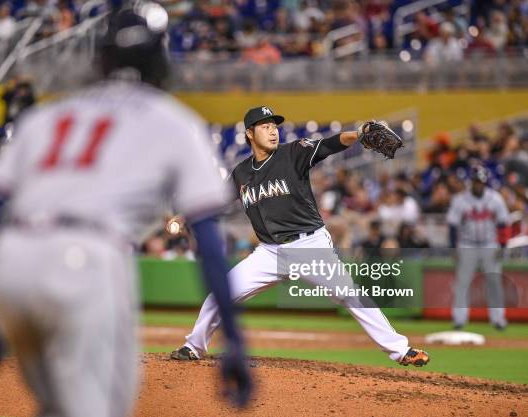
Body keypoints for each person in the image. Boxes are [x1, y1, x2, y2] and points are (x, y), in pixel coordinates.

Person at [0, 3, 252, 417]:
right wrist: (235, 340)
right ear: (159, 59)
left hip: (10, 265)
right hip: (86, 261)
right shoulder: (174, 122)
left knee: (56, 405)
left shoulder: (50, 115)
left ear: (101, 57)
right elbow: (206, 236)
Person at [171, 106, 430, 368]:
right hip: (269, 252)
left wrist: (359, 134)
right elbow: (215, 201)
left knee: (350, 294)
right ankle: (193, 346)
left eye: (274, 126)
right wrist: (183, 216)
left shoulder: (293, 152)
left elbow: (329, 144)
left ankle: (401, 350)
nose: (273, 131)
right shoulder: (241, 173)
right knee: (221, 292)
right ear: (250, 133)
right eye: (265, 126)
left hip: (308, 245)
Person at [447, 165, 510, 330]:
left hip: (490, 244)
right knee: (462, 283)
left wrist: (503, 245)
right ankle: (459, 319)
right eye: (475, 182)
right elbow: (452, 226)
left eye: (480, 182)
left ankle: (498, 320)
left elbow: (503, 223)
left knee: (494, 281)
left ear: (485, 182)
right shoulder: (460, 200)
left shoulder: (495, 198)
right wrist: (453, 248)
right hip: (467, 245)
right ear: (471, 182)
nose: (478, 185)